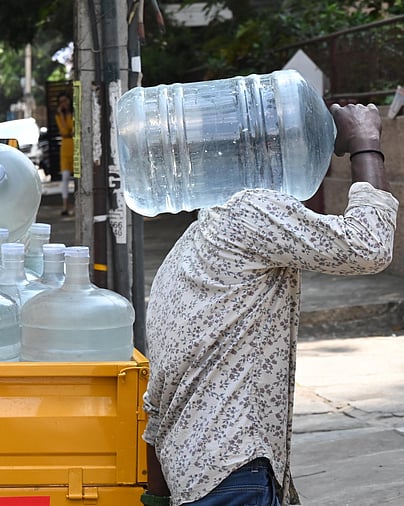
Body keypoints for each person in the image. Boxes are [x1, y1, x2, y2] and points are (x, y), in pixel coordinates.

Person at [141, 103, 397, 506]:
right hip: (233, 477)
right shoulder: (249, 214)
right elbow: (369, 246)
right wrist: (367, 143)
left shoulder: (193, 244)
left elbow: (158, 405)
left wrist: (154, 499)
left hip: (194, 480)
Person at [54, 93, 74, 216]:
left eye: (65, 101)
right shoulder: (59, 116)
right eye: (61, 102)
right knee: (65, 177)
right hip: (65, 145)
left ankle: (78, 204)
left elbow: (73, 129)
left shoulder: (74, 114)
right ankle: (65, 205)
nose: (64, 104)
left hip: (75, 145)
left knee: (78, 178)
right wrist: (62, 115)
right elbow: (64, 130)